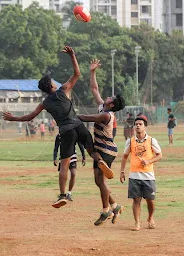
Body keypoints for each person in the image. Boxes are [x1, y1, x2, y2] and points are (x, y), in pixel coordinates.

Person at [3, 46, 113, 209]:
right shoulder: (63, 90)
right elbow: (77, 74)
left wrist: (13, 119)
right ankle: (100, 161)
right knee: (91, 150)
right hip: (78, 125)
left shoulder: (45, 103)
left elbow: (30, 117)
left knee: (65, 164)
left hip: (66, 131)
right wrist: (72, 56)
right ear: (52, 85)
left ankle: (63, 195)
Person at [78, 59, 125, 226]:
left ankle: (106, 211)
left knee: (101, 180)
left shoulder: (106, 115)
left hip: (108, 150)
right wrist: (92, 72)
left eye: (110, 97)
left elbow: (89, 118)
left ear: (111, 104)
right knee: (99, 181)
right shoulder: (102, 107)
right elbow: (94, 88)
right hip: (100, 148)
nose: (107, 96)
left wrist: (72, 116)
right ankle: (115, 206)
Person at [120, 116, 162, 231]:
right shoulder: (130, 141)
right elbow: (124, 157)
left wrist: (148, 161)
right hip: (134, 175)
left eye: (140, 124)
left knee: (150, 200)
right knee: (136, 200)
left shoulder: (152, 141)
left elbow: (159, 155)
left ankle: (150, 218)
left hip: (148, 175)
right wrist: (122, 171)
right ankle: (137, 223)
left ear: (145, 127)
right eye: (136, 124)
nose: (137, 126)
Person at [53, 133, 86, 201]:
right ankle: (62, 194)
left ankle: (69, 193)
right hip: (63, 157)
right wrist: (55, 158)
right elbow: (56, 148)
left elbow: (80, 145)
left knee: (73, 174)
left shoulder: (74, 134)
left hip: (73, 156)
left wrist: (83, 156)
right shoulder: (59, 136)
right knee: (63, 175)